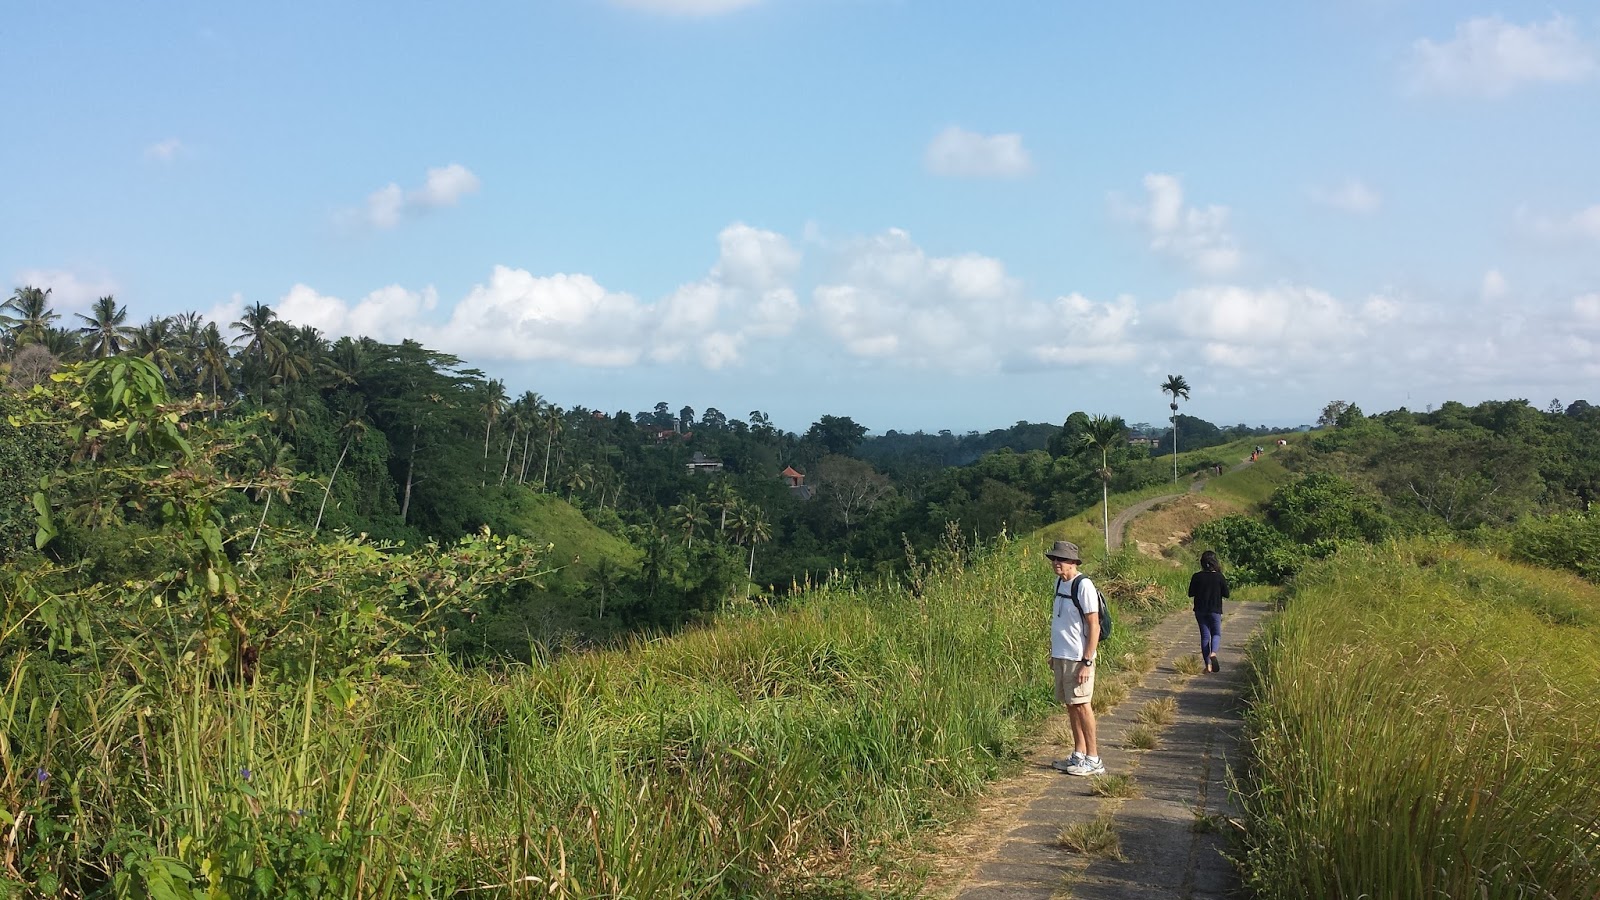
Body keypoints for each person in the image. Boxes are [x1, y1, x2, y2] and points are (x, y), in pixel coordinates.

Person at [1045, 541, 1104, 776]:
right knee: (1071, 705)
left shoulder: (1084, 586)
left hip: (1078, 658)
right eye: (1054, 559)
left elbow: (1094, 625)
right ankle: (1079, 755)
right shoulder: (1059, 583)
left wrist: (1087, 661)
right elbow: (1060, 622)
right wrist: (1054, 654)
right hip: (1062, 656)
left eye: (1061, 559)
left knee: (1082, 705)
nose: (1056, 563)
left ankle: (1094, 759)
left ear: (1073, 562)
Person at [1187, 550, 1230, 672]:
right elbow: (1226, 594)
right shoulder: (1219, 577)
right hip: (1215, 610)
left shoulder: (1196, 576)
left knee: (1205, 637)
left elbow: (1190, 593)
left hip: (1200, 610)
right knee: (1216, 633)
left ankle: (1208, 666)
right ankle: (1213, 653)